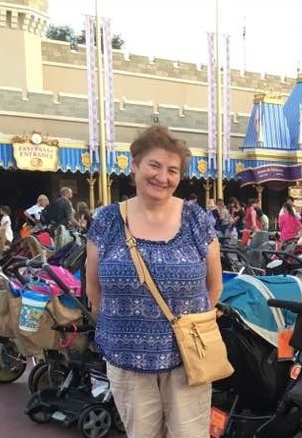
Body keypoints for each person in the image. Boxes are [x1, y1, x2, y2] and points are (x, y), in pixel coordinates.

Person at [85, 125, 222, 438]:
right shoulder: (107, 220)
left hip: (189, 359)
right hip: (126, 356)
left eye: (172, 170)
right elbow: (94, 288)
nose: (163, 177)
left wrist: (191, 327)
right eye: (154, 165)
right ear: (134, 165)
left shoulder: (196, 219)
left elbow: (214, 285)